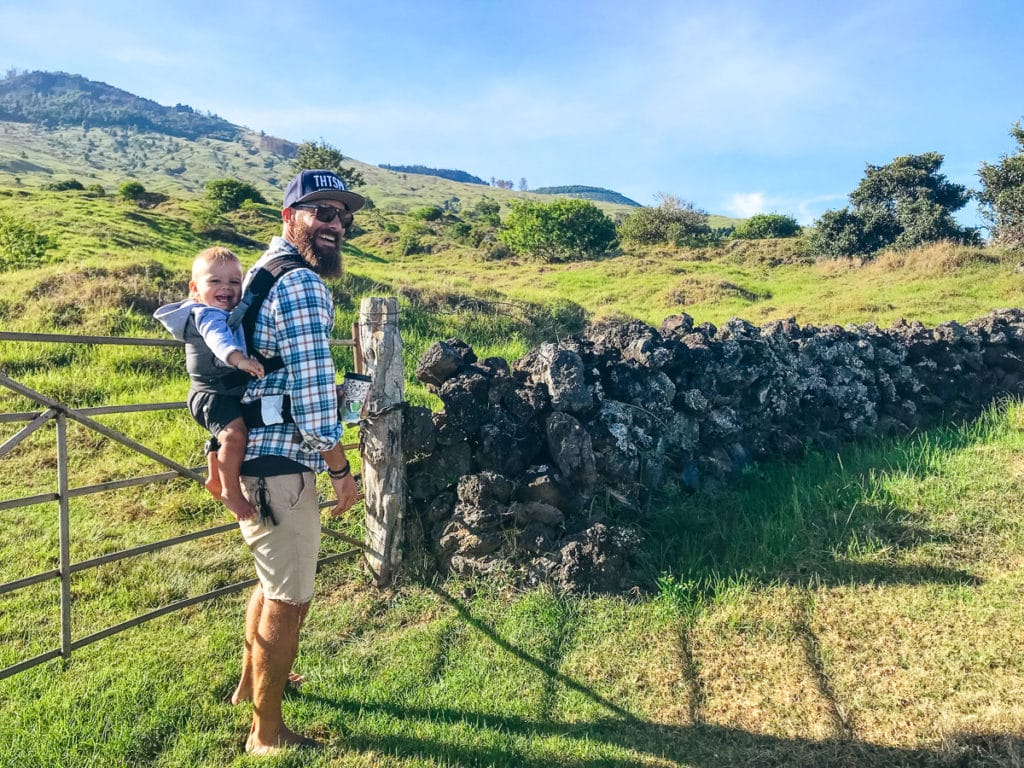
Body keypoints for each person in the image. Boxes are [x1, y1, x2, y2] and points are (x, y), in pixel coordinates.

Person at [227, 169, 361, 755]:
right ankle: (267, 733)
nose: (335, 224)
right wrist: (339, 467)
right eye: (321, 212)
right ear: (290, 217)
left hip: (254, 460)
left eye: (342, 216)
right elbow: (310, 401)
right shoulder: (303, 284)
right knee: (291, 597)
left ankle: (247, 687)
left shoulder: (261, 274)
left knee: (269, 583)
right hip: (282, 467)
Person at [154, 247, 264, 522]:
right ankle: (230, 492)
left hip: (221, 391)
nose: (225, 288)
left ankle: (216, 476)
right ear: (194, 289)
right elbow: (219, 341)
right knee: (234, 435)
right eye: (214, 281)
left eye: (234, 282)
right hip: (212, 394)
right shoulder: (207, 315)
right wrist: (239, 360)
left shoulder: (224, 313)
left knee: (230, 434)